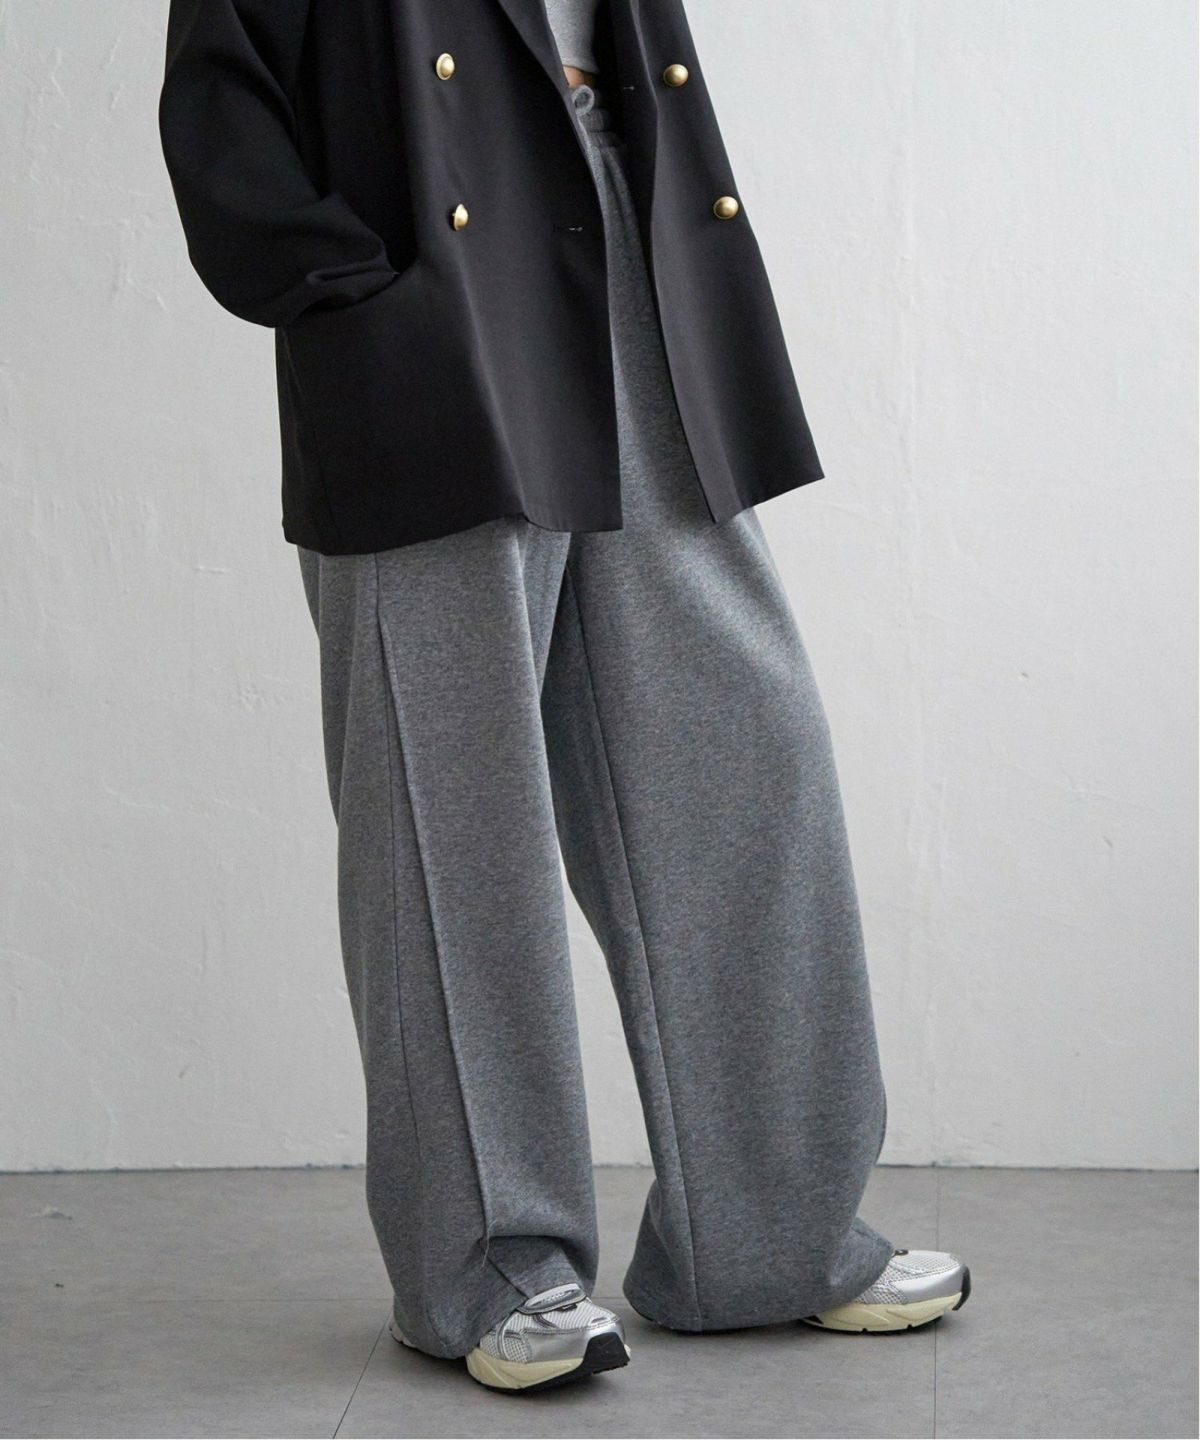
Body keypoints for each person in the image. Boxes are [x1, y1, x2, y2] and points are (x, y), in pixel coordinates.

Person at [158, 0, 970, 1394]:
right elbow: (220, 94)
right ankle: (490, 1269)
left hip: (625, 235)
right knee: (453, 799)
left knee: (744, 753)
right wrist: (351, 297)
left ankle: (769, 1239)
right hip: (435, 284)